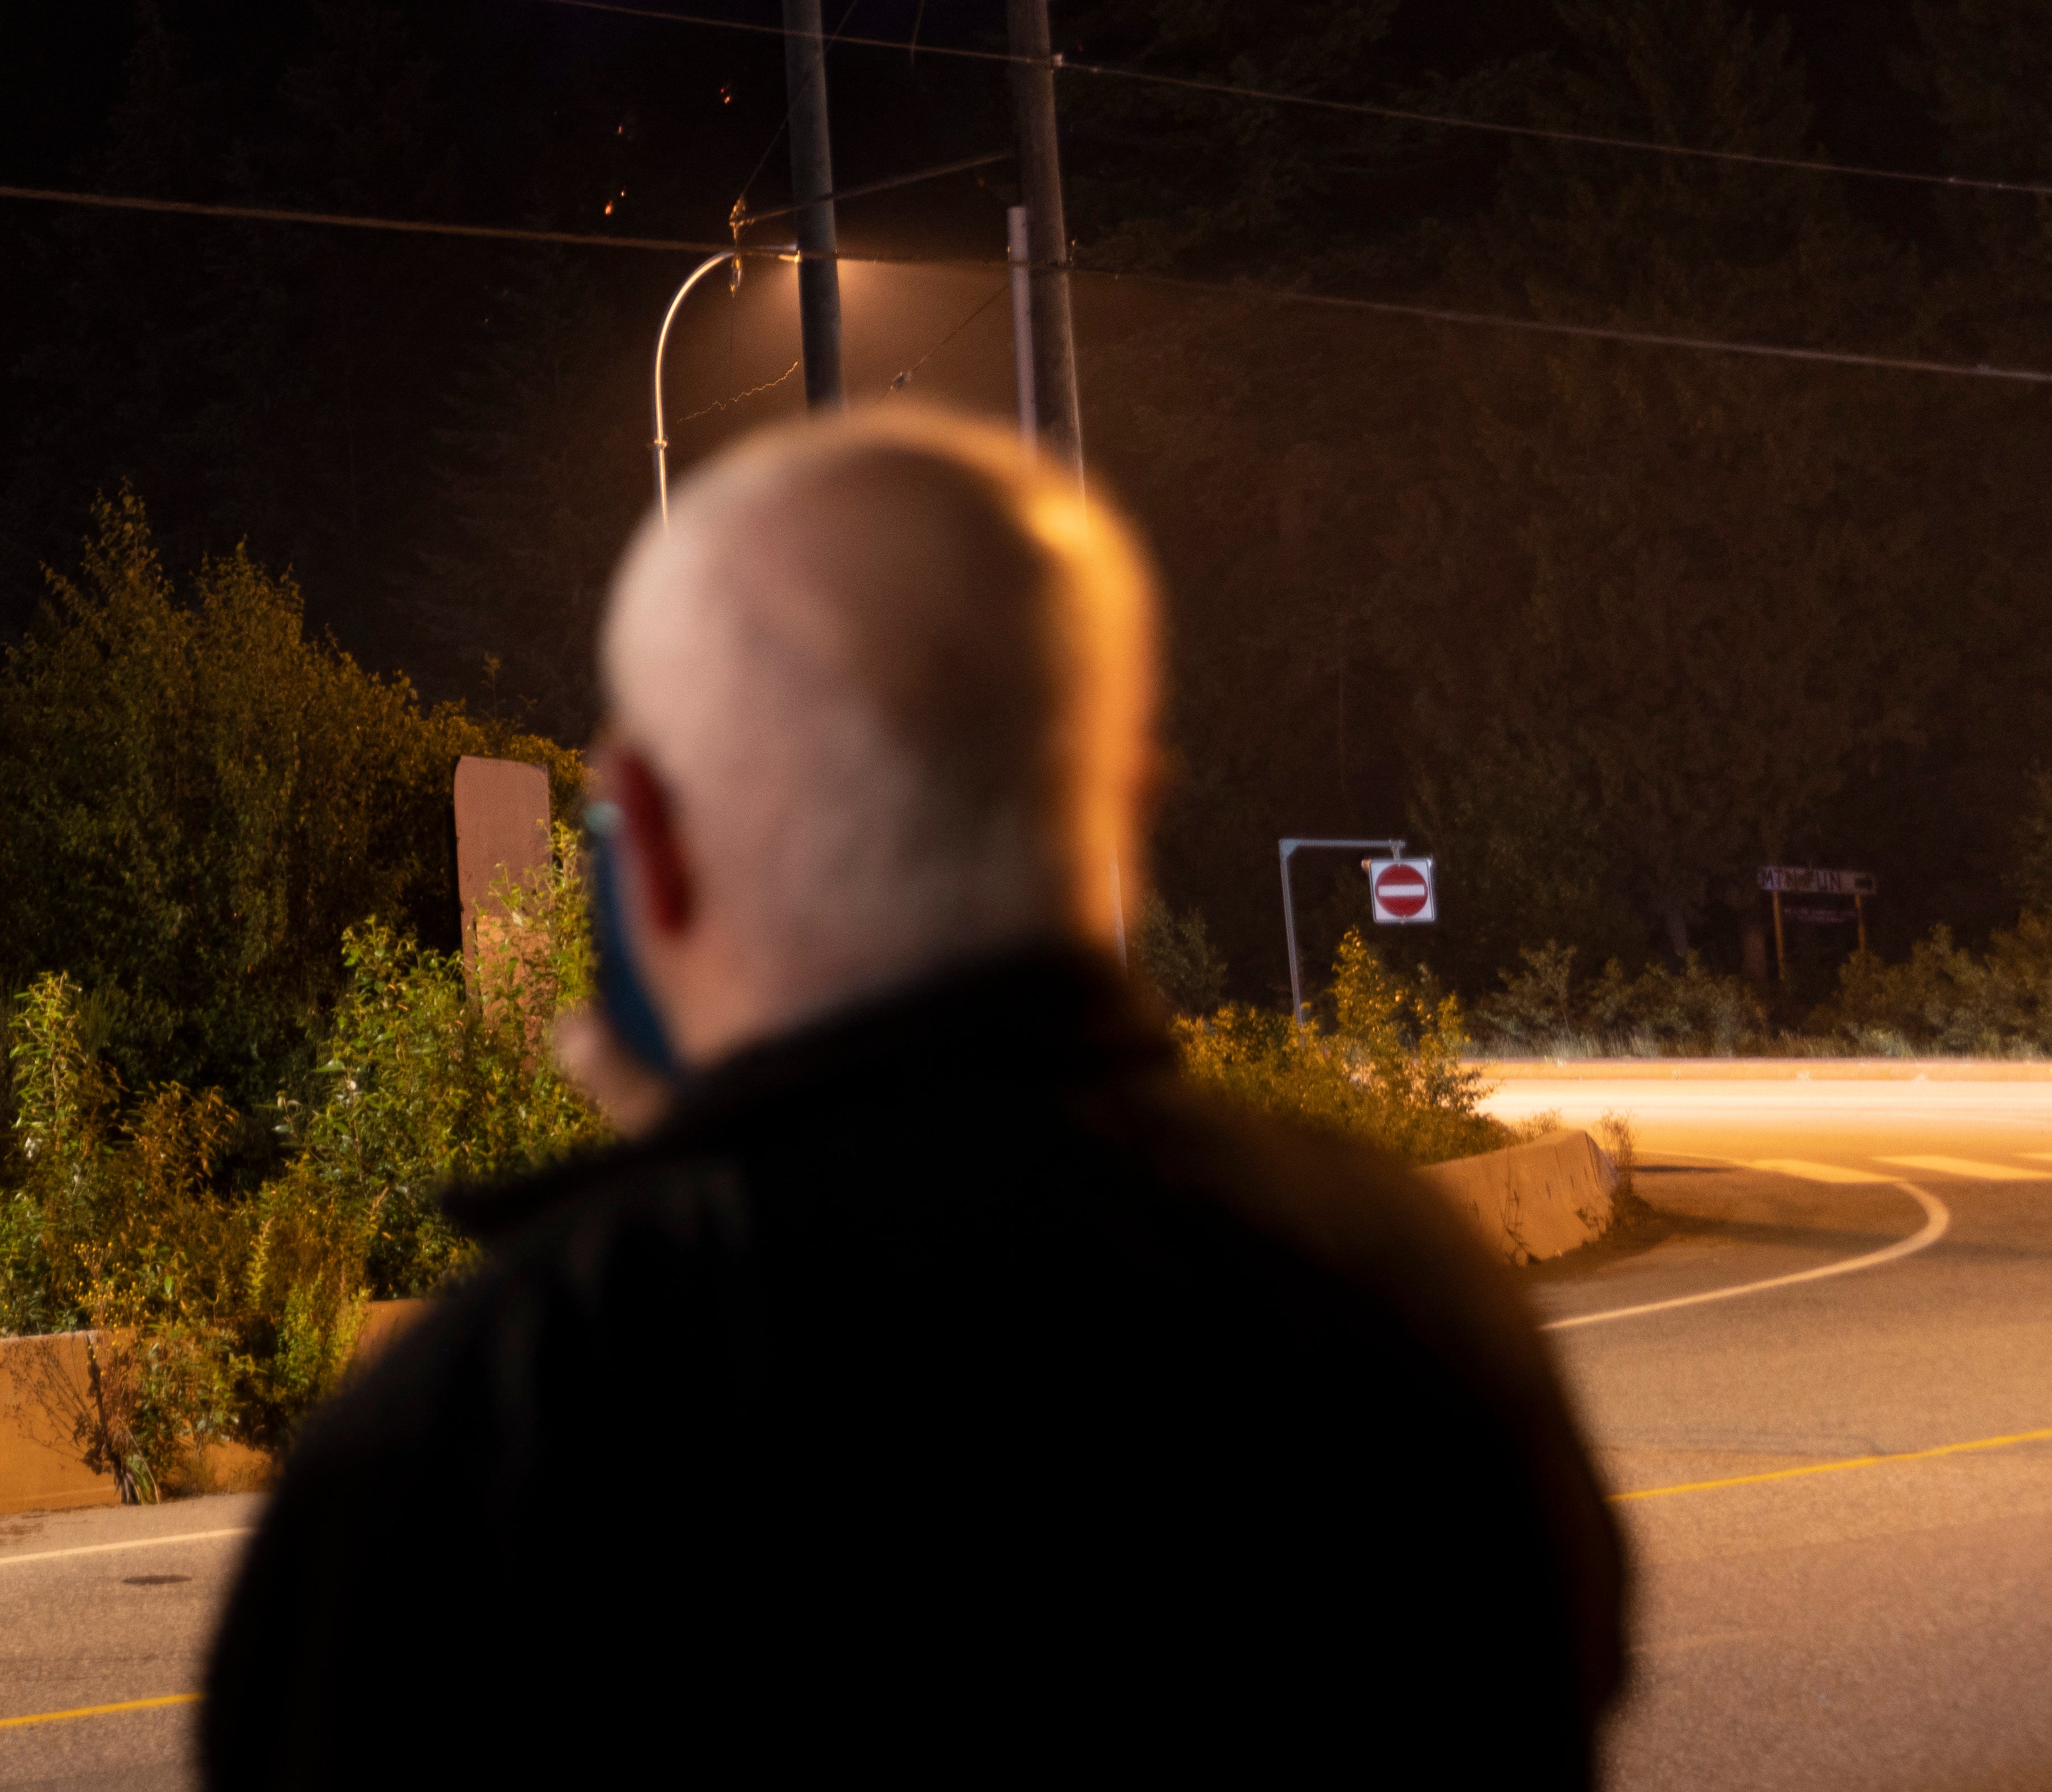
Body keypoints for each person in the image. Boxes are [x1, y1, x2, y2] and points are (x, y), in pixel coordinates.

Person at [200, 410, 1625, 1785]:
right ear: (1123, 806)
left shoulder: (472, 1438)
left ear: (653, 851)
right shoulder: (1416, 1312)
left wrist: (680, 1175)